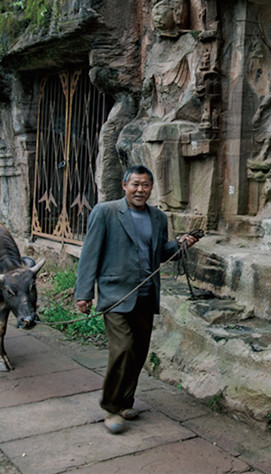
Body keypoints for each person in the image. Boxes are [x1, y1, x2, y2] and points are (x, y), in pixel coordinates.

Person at [74, 164, 198, 434]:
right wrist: (83, 294)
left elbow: (159, 254)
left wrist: (179, 245)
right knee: (123, 348)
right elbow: (89, 255)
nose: (140, 190)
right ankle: (110, 407)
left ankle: (126, 401)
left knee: (139, 351)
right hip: (115, 295)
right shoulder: (106, 212)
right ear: (124, 185)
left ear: (151, 188)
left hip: (145, 294)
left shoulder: (157, 217)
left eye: (145, 185)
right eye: (135, 184)